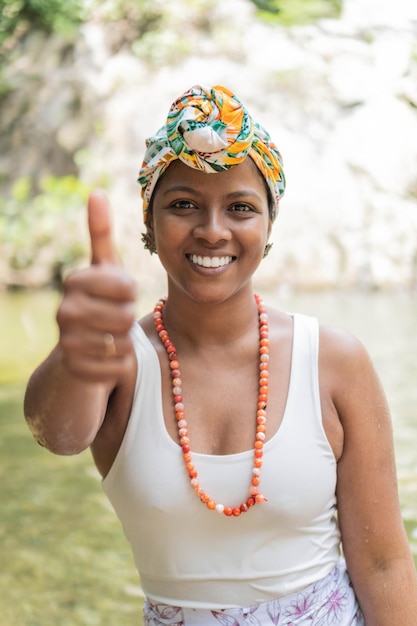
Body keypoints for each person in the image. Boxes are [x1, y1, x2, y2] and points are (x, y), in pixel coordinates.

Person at [24, 84, 417, 625]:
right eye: (183, 204)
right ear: (150, 221)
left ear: (268, 225)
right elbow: (58, 434)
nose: (212, 231)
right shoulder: (120, 362)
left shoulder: (333, 361)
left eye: (240, 207)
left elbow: (382, 564)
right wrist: (77, 351)